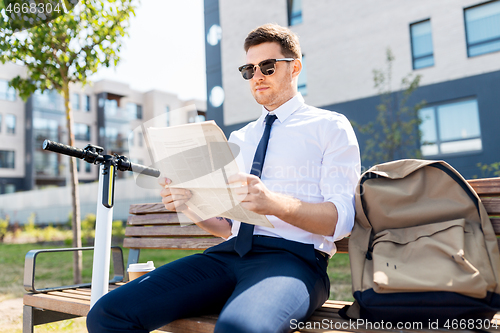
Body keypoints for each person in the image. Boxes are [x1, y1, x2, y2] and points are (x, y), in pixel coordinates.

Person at [87, 23, 360, 333]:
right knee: (108, 314)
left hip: (294, 260)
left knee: (237, 329)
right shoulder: (240, 137)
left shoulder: (330, 127)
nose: (257, 76)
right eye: (249, 69)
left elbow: (341, 221)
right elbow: (227, 228)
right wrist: (188, 204)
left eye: (267, 67)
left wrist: (273, 203)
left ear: (294, 67)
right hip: (226, 256)